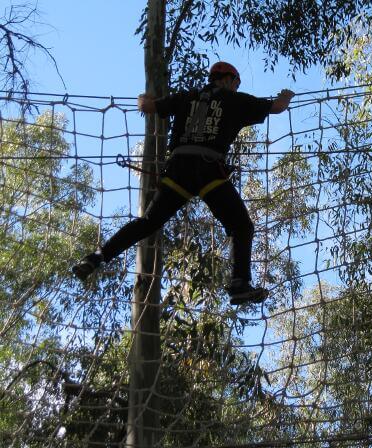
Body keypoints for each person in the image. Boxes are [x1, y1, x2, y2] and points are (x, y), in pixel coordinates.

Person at [72, 61, 295, 305]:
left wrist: (142, 97)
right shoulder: (237, 100)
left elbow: (146, 106)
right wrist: (286, 95)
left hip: (178, 171)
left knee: (148, 222)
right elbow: (278, 107)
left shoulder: (185, 97)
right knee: (241, 227)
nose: (236, 87)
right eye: (236, 83)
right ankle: (239, 283)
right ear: (228, 80)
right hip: (209, 171)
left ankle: (96, 258)